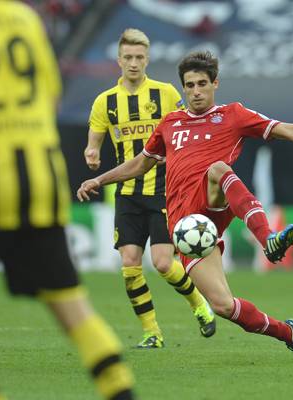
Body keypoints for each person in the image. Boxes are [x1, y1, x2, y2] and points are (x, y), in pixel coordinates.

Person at [77, 51, 293, 363]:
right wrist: (99, 179)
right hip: (186, 228)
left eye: (202, 83)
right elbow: (141, 163)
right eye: (190, 85)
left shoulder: (233, 115)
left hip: (213, 199)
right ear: (183, 88)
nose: (196, 91)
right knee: (224, 306)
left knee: (218, 169)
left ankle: (268, 238)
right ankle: (288, 332)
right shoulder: (170, 123)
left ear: (215, 83)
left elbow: (288, 129)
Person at [0, 1, 134, 399]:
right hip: (42, 175)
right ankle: (121, 390)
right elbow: (51, 94)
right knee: (70, 306)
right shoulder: (25, 18)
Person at [84, 28, 215, 349]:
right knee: (129, 263)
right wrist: (92, 153)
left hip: (163, 190)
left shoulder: (166, 93)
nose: (133, 63)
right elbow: (94, 142)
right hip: (127, 194)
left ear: (147, 59)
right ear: (119, 60)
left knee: (162, 263)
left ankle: (199, 304)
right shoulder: (104, 102)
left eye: (139, 57)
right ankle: (152, 333)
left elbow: (187, 126)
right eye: (128, 57)